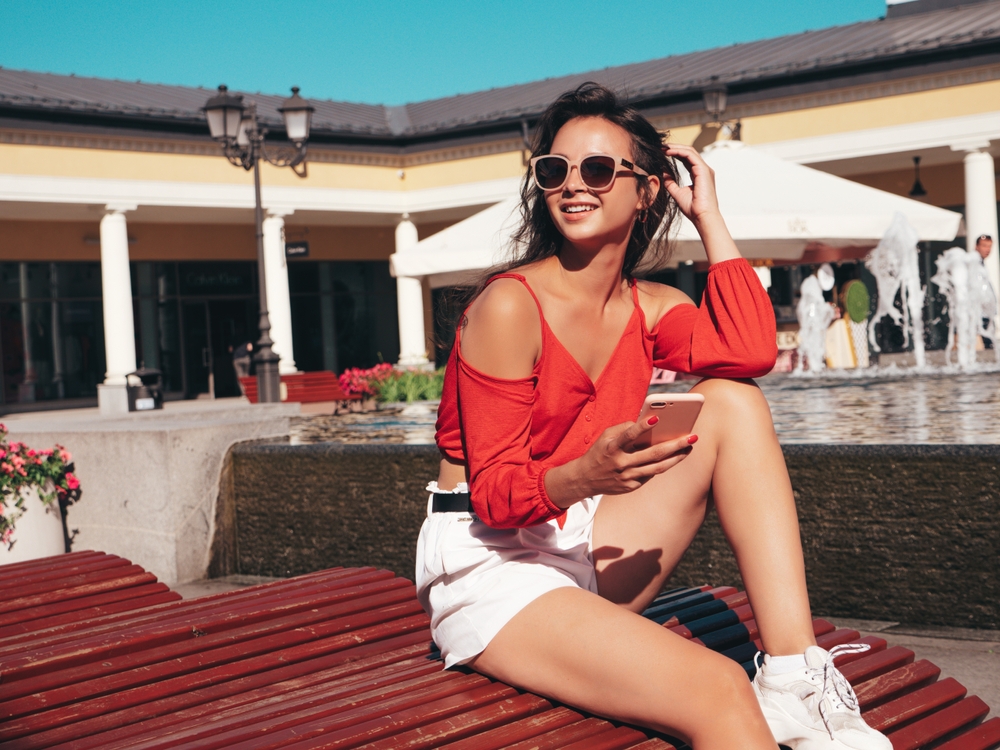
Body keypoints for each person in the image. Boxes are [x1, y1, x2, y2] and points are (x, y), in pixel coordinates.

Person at [415, 83, 890, 750]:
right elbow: (492, 497)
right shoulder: (508, 306)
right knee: (719, 688)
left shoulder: (649, 306)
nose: (573, 185)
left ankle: (791, 678)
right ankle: (761, 692)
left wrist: (710, 220)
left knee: (733, 402)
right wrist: (585, 474)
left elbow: (749, 353)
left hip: (579, 538)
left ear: (646, 191)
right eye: (555, 169)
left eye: (599, 169)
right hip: (489, 566)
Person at [974, 234, 996, 349]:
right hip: (977, 313)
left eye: (990, 246)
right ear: (976, 246)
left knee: (990, 346)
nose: (987, 249)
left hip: (986, 313)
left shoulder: (982, 264)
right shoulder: (973, 263)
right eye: (984, 246)